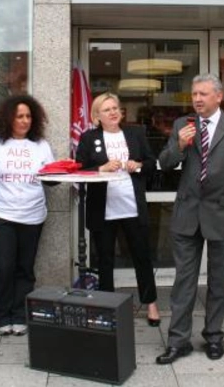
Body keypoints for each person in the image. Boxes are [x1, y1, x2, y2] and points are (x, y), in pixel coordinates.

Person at [156, 74, 224, 364]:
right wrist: (179, 144)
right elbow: (164, 163)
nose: (198, 99)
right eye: (194, 94)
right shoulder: (182, 125)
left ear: (219, 97)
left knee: (219, 280)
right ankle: (178, 341)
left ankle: (213, 336)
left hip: (222, 214)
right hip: (187, 214)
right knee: (183, 282)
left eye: (204, 94)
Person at [75, 93, 161, 326]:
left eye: (116, 108)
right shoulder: (88, 137)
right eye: (107, 109)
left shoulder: (135, 134)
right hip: (103, 210)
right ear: (97, 116)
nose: (113, 112)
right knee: (105, 260)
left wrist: (139, 165)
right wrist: (101, 168)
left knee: (141, 257)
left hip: (132, 207)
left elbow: (153, 164)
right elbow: (80, 169)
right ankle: (106, 308)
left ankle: (151, 303)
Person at [0, 95, 55, 337]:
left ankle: (20, 315)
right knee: (4, 266)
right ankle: (0, 314)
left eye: (28, 116)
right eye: (19, 116)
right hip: (2, 215)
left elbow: (50, 180)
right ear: (8, 118)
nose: (24, 120)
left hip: (33, 216)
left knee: (25, 268)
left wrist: (64, 171)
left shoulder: (40, 145)